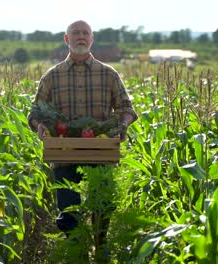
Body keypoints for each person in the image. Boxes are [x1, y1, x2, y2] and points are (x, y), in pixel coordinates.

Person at [27, 20, 138, 257]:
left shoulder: (108, 74)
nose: (81, 37)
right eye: (75, 33)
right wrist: (40, 127)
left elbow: (127, 109)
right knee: (69, 213)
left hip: (101, 153)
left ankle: (101, 250)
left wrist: (122, 125)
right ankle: (77, 254)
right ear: (66, 39)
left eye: (85, 33)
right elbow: (35, 113)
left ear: (92, 39)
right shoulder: (52, 76)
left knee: (102, 209)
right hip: (64, 154)